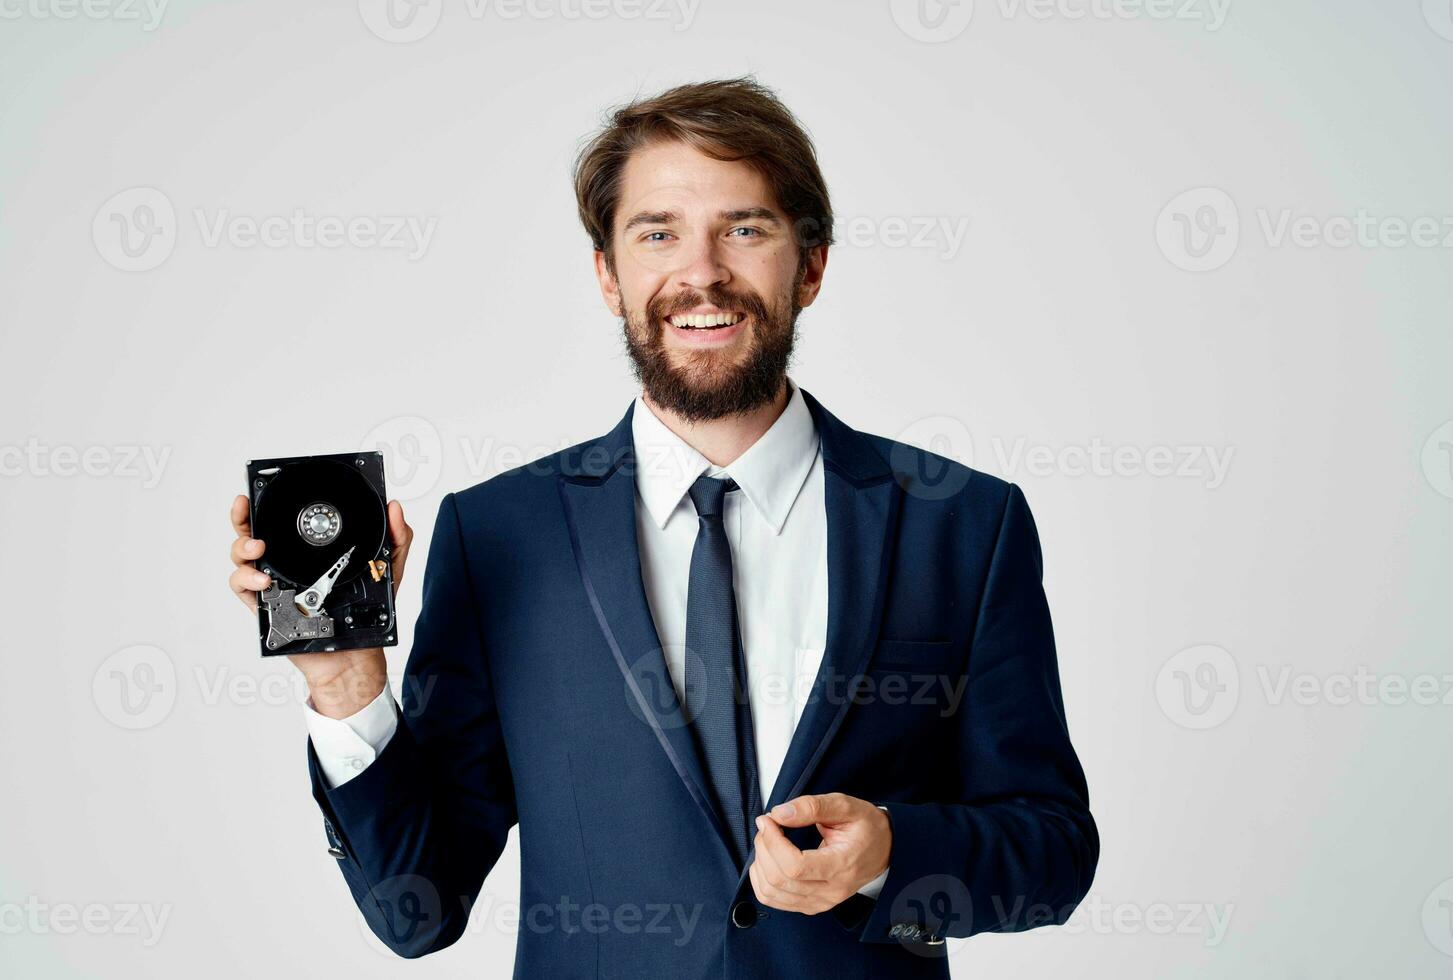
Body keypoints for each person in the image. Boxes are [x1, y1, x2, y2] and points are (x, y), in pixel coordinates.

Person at [226, 76, 1097, 978]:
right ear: (609, 274)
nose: (703, 272)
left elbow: (1054, 852)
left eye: (745, 229)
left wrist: (890, 856)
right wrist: (347, 688)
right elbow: (420, 910)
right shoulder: (499, 537)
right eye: (658, 234)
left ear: (813, 264)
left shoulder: (963, 524)